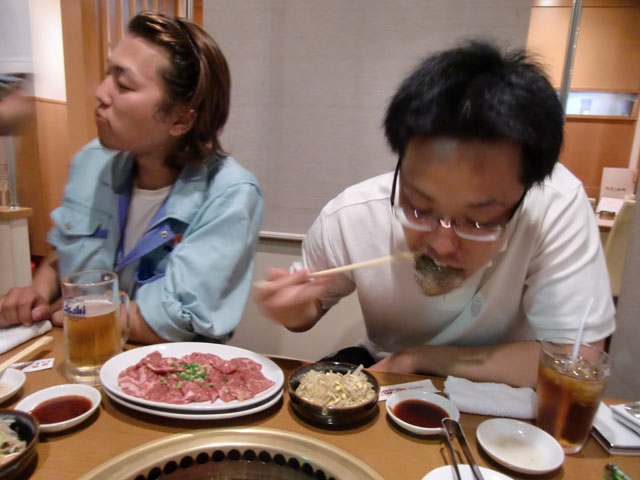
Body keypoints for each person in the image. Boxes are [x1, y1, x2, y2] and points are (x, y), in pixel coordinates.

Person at [255, 40, 615, 387]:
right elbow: (309, 311)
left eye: (478, 221)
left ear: (524, 195)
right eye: (419, 208)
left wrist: (416, 359)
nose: (442, 244)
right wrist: (291, 311)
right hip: (388, 376)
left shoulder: (555, 207)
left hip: (501, 391)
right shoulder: (354, 215)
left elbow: (576, 359)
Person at [0, 12, 263, 344]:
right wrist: (38, 292)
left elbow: (180, 323)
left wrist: (74, 312)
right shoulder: (90, 161)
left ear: (180, 120)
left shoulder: (230, 194)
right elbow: (66, 251)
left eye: (124, 85)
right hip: (81, 355)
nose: (101, 92)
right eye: (108, 74)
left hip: (169, 370)